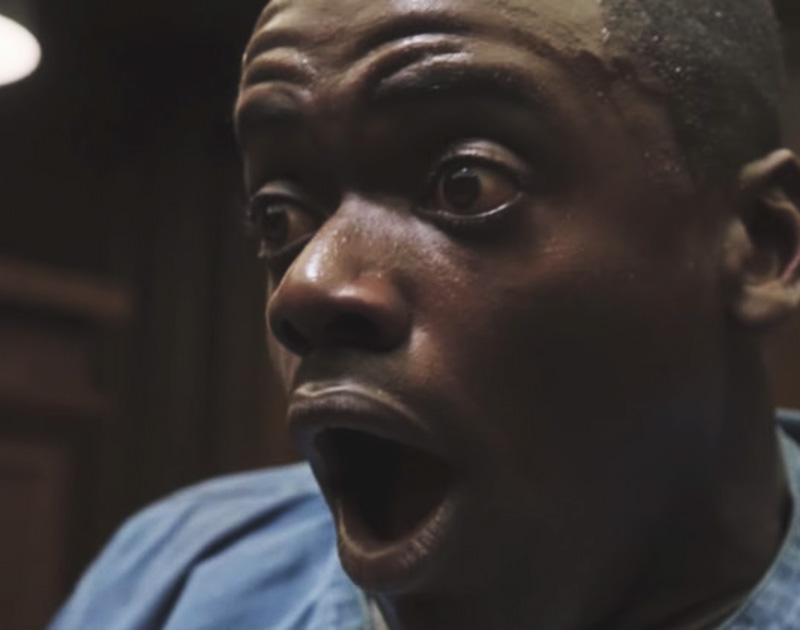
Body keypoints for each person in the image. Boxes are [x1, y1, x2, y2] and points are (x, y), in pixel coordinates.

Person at [51, 0, 800, 628]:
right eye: (278, 219)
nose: (303, 288)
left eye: (465, 185)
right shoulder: (173, 575)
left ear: (759, 244)